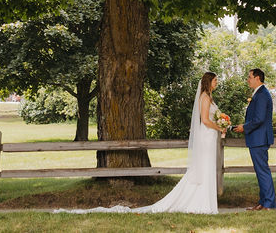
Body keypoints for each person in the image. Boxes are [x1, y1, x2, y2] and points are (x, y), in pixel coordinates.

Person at [56, 71, 227, 215]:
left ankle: (205, 201)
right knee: (204, 167)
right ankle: (201, 203)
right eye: (215, 80)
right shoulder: (205, 98)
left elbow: (211, 118)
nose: (217, 82)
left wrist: (222, 124)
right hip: (206, 137)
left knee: (207, 168)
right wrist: (219, 127)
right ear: (208, 82)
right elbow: (205, 120)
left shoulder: (209, 97)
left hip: (209, 137)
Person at [234, 68, 276, 210]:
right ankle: (263, 203)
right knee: (260, 172)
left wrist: (244, 127)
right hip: (257, 139)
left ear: (257, 78)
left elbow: (259, 119)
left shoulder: (262, 94)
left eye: (249, 77)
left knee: (263, 171)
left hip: (259, 139)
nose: (248, 80)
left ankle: (269, 204)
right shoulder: (259, 93)